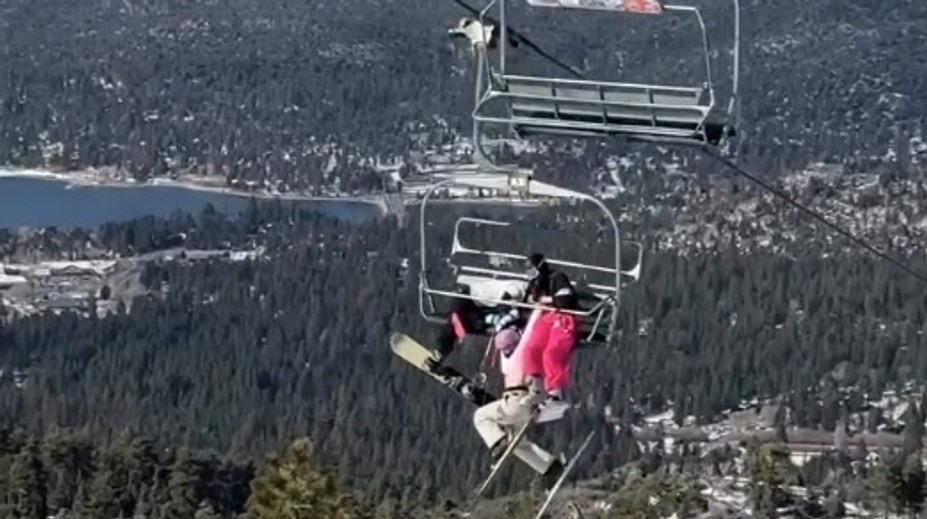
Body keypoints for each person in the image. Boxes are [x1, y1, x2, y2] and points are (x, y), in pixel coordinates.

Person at [472, 311, 565, 491]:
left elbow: (527, 333)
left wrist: (537, 310)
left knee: (481, 416)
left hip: (516, 401)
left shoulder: (520, 356)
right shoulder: (523, 355)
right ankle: (548, 466)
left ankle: (498, 443)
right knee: (516, 443)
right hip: (525, 406)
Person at [521, 252, 580, 415]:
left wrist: (546, 300)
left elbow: (566, 300)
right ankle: (536, 387)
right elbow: (527, 299)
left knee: (551, 352)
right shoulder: (535, 283)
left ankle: (555, 392)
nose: (531, 276)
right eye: (529, 273)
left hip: (564, 317)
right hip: (547, 318)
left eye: (533, 271)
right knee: (530, 349)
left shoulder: (557, 278)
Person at [427, 279, 528, 371]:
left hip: (480, 308)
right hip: (471, 297)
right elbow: (511, 292)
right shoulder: (522, 288)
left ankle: (440, 353)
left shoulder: (524, 301)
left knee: (473, 325)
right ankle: (440, 353)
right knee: (459, 323)